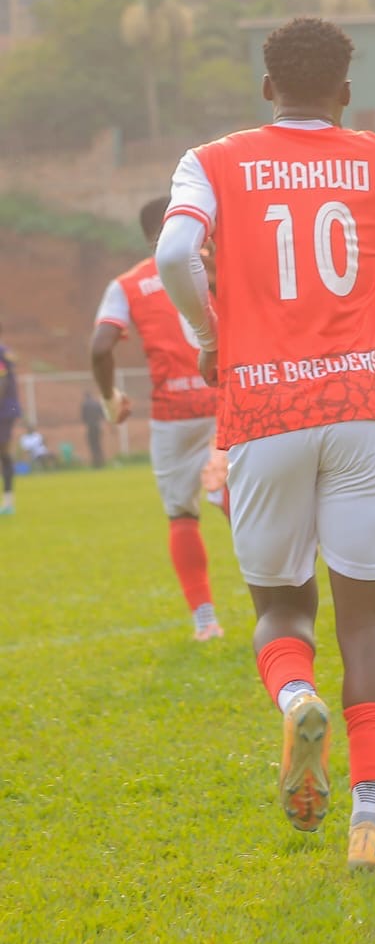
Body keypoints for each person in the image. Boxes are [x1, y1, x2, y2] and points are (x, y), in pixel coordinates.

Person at [157, 16, 375, 870]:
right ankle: (371, 822)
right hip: (361, 403)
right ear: (346, 92)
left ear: (267, 88)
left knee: (281, 609)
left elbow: (171, 256)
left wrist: (210, 333)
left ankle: (296, 697)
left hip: (263, 409)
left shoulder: (214, 159)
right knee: (367, 625)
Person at [91, 197, 226, 641]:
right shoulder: (211, 267)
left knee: (180, 516)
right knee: (244, 501)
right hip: (226, 399)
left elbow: (100, 347)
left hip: (173, 415)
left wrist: (111, 399)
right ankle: (279, 599)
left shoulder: (126, 284)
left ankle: (205, 620)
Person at [0, 325, 19, 514]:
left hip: (3, 410)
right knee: (4, 454)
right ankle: (7, 501)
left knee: (4, 453)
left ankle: (8, 502)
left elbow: (2, 381)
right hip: (7, 409)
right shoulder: (5, 351)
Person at [81, 390, 107, 468]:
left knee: (92, 445)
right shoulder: (96, 403)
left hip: (91, 427)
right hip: (98, 426)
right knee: (98, 444)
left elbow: (83, 418)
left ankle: (96, 463)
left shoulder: (85, 404)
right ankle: (101, 461)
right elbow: (103, 415)